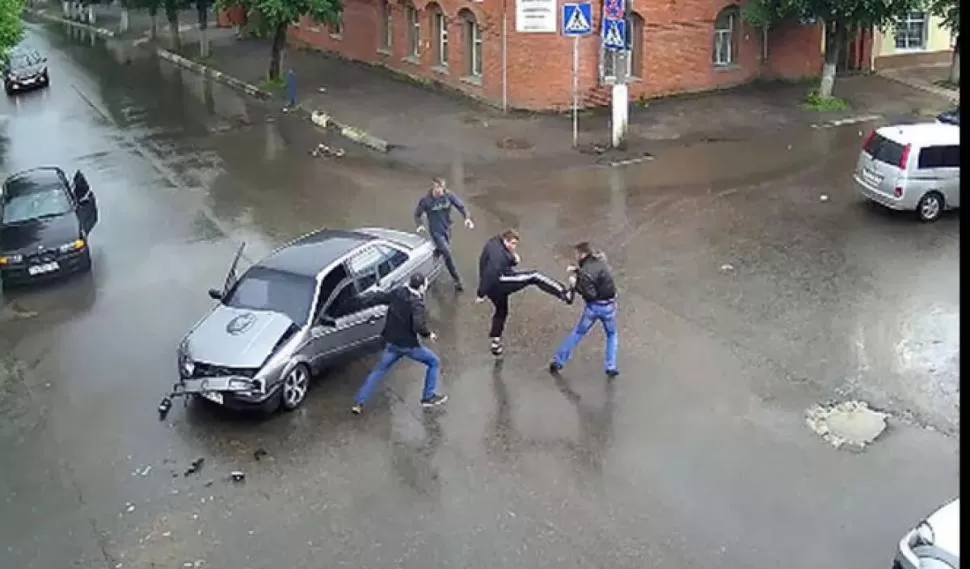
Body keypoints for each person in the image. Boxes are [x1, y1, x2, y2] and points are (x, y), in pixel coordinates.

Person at [351, 272, 447, 415]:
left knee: (379, 371)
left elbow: (380, 297)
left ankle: (359, 402)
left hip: (392, 343)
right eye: (425, 285)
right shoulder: (417, 304)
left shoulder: (398, 292)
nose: (425, 287)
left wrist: (362, 299)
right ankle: (428, 397)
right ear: (421, 287)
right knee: (434, 362)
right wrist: (428, 334)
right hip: (408, 346)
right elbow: (418, 325)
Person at [476, 229, 572, 356]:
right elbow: (491, 272)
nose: (514, 247)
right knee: (534, 276)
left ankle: (495, 342)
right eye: (513, 244)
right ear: (506, 241)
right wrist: (480, 294)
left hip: (493, 288)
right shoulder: (499, 257)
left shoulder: (494, 242)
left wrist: (513, 259)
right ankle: (564, 293)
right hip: (500, 282)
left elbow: (494, 261)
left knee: (501, 311)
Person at [549, 242, 619, 377]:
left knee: (578, 333)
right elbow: (596, 276)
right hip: (609, 307)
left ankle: (559, 361)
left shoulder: (585, 273)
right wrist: (577, 271)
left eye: (576, 254)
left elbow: (590, 294)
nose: (575, 256)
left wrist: (575, 285)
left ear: (583, 254)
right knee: (612, 335)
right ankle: (611, 365)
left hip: (593, 309)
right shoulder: (601, 263)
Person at [414, 177, 475, 292]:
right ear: (433, 187)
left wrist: (467, 218)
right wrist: (420, 225)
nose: (440, 191)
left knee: (443, 249)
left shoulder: (448, 196)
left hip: (447, 229)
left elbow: (461, 207)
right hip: (436, 232)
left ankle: (437, 252)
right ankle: (457, 280)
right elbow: (417, 214)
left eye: (441, 188)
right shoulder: (426, 201)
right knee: (447, 254)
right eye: (437, 188)